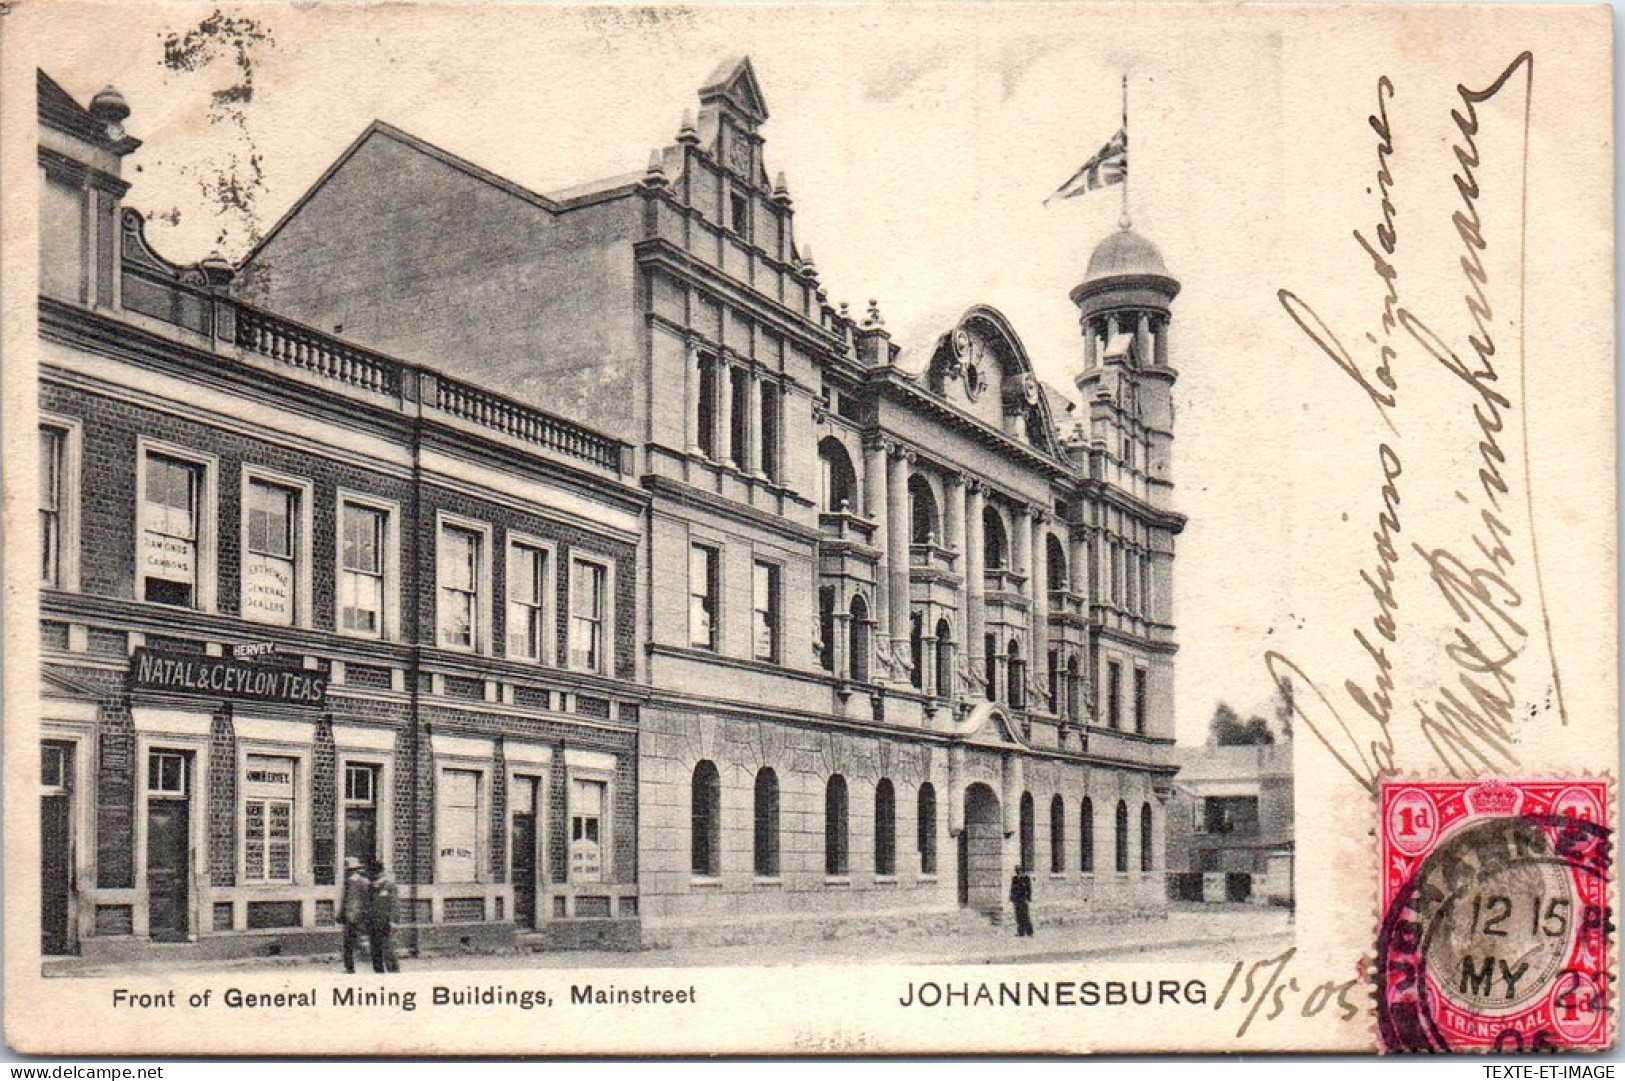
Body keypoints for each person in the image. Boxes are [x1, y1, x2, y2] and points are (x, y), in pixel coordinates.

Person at [366, 856, 400, 973]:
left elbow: (394, 905)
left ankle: (395, 976)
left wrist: (393, 921)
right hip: (373, 924)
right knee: (376, 954)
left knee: (389, 952)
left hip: (386, 924)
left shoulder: (389, 886)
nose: (376, 876)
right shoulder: (370, 887)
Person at [337, 856, 370, 974]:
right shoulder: (359, 881)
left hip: (354, 916)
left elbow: (352, 900)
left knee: (351, 942)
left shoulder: (356, 881)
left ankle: (351, 966)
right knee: (351, 942)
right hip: (354, 915)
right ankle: (350, 966)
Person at [1009, 866, 1034, 938]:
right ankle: (1021, 932)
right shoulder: (1015, 878)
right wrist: (1012, 898)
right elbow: (1012, 888)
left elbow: (1029, 889)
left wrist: (1028, 898)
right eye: (1016, 871)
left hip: (1023, 899)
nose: (1018, 872)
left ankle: (1029, 932)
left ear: (1022, 871)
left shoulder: (1026, 878)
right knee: (1018, 916)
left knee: (1025, 916)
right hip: (1017, 900)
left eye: (1019, 871)